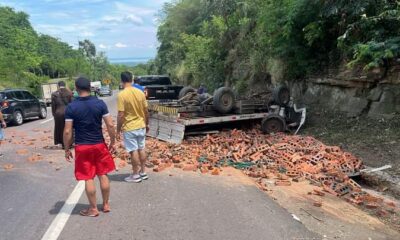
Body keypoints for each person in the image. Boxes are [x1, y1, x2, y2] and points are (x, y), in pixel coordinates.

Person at [64, 77, 116, 217]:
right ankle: (105, 204)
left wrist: (67, 148)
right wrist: (112, 141)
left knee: (88, 177)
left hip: (83, 146)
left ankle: (93, 209)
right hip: (99, 145)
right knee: (102, 173)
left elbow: (68, 131)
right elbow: (110, 125)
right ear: (90, 87)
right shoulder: (100, 103)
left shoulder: (72, 107)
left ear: (76, 88)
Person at [117, 71, 149, 183]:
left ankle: (135, 175)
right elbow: (146, 111)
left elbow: (121, 114)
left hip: (130, 127)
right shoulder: (140, 92)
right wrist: (147, 124)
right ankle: (143, 172)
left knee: (133, 151)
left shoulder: (122, 95)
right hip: (141, 125)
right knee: (141, 148)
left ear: (121, 81)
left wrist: (118, 129)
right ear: (132, 80)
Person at [51, 81, 72, 148]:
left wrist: (54, 114)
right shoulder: (69, 93)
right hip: (68, 112)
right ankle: (70, 143)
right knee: (69, 128)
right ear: (65, 85)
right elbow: (72, 104)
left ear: (58, 85)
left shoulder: (54, 94)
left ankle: (63, 144)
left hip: (58, 113)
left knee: (60, 128)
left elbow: (53, 106)